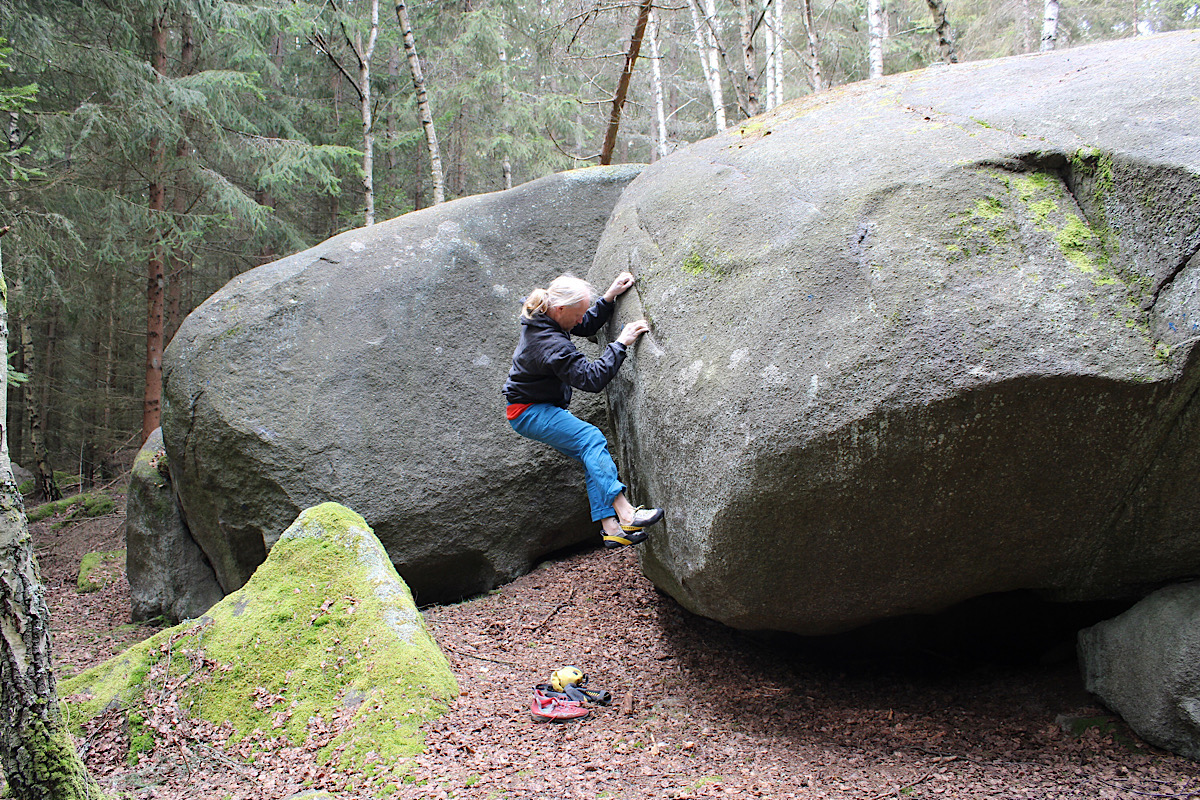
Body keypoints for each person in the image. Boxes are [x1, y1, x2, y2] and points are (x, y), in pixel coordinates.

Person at [503, 272, 664, 548]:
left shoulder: (546, 315)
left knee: (590, 450)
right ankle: (626, 512)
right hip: (528, 411)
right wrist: (621, 344)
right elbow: (591, 379)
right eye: (577, 314)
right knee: (590, 439)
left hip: (533, 407)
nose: (580, 320)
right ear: (561, 308)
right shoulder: (549, 343)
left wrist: (609, 298)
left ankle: (611, 527)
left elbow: (584, 325)